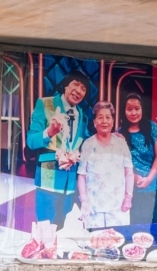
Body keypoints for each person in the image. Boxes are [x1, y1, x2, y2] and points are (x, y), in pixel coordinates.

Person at [26, 71, 91, 229]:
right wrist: (49, 132)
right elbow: (31, 141)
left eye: (83, 88)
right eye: (76, 84)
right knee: (45, 230)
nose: (78, 90)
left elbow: (85, 143)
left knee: (63, 231)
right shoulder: (45, 104)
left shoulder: (82, 115)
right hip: (48, 179)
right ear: (66, 85)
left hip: (69, 185)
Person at [76, 101, 133, 229]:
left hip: (117, 207)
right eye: (100, 117)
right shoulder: (87, 144)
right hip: (93, 209)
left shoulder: (121, 143)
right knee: (95, 243)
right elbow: (82, 176)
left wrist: (128, 198)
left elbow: (129, 173)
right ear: (94, 122)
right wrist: (84, 201)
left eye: (108, 117)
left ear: (113, 121)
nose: (104, 121)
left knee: (117, 242)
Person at [119, 93, 157, 225]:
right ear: (124, 110)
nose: (133, 112)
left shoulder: (152, 127)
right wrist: (135, 176)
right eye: (129, 109)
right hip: (131, 189)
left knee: (152, 224)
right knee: (135, 225)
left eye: (137, 108)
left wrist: (149, 178)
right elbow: (119, 163)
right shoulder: (120, 133)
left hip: (153, 185)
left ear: (142, 109)